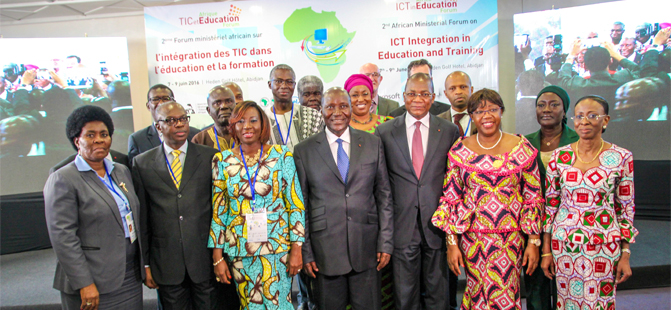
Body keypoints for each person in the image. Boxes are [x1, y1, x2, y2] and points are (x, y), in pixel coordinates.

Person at [431, 88, 543, 310]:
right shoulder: (459, 150)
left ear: (502, 111)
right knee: (476, 293)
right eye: (480, 111)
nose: (487, 116)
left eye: (493, 109)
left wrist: (533, 241)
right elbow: (450, 198)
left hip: (510, 239)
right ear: (471, 116)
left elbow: (533, 197)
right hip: (473, 240)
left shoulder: (522, 148)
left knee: (506, 294)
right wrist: (452, 244)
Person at [294, 87, 393, 310]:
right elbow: (301, 206)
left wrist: (386, 242)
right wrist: (306, 250)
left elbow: (384, 196)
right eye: (330, 107)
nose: (337, 112)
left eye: (343, 106)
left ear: (350, 109)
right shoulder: (304, 151)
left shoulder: (372, 143)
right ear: (321, 110)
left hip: (367, 249)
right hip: (324, 255)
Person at [541, 95, 637, 310]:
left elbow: (625, 208)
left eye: (592, 116)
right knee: (567, 303)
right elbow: (550, 206)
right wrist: (547, 250)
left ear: (606, 120)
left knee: (599, 304)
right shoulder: (559, 157)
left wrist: (625, 253)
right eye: (580, 116)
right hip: (565, 245)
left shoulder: (622, 157)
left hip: (603, 245)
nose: (584, 121)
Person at [44, 105, 144, 310]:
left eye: (104, 134)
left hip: (128, 274)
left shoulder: (121, 171)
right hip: (93, 279)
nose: (99, 139)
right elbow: (63, 237)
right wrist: (84, 283)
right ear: (76, 141)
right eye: (90, 135)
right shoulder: (63, 178)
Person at [209, 100, 305, 310]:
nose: (247, 126)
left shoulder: (282, 155)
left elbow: (295, 203)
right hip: (239, 249)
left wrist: (297, 248)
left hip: (278, 248)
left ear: (263, 124)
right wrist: (217, 256)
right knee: (249, 305)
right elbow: (219, 210)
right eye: (240, 121)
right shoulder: (221, 160)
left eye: (253, 120)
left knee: (280, 305)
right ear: (233, 125)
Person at [375, 73, 460, 310]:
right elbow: (381, 184)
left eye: (424, 94)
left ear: (433, 97)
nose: (417, 99)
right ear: (403, 97)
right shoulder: (384, 132)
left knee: (438, 296)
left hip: (437, 227)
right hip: (402, 227)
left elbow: (454, 182)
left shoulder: (450, 130)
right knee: (405, 297)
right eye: (412, 94)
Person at [132, 102, 220, 309]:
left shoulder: (210, 156)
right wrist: (145, 263)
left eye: (182, 119)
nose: (179, 124)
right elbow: (143, 218)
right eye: (171, 120)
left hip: (204, 260)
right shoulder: (142, 163)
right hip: (166, 262)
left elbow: (219, 211)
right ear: (158, 126)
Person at [524, 86, 579, 310]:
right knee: (535, 284)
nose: (547, 109)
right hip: (534, 224)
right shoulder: (525, 143)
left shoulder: (578, 141)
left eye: (554, 104)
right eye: (541, 105)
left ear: (564, 111)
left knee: (568, 282)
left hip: (569, 222)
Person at [127, 84, 199, 165]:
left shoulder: (195, 135)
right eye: (155, 99)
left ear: (174, 103)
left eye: (166, 98)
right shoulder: (138, 139)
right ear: (148, 106)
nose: (161, 103)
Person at [264, 64, 324, 151]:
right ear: (270, 85)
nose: (284, 86)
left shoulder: (313, 115)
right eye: (278, 81)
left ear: (294, 85)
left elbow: (318, 150)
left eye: (289, 82)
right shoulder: (262, 119)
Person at [192, 86, 236, 151]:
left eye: (228, 101)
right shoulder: (200, 139)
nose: (224, 106)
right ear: (209, 110)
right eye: (217, 103)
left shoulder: (247, 134)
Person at [438, 71, 476, 138]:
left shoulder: (483, 119)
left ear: (471, 90)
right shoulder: (437, 122)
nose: (458, 92)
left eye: (463, 87)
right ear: (446, 94)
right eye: (452, 88)